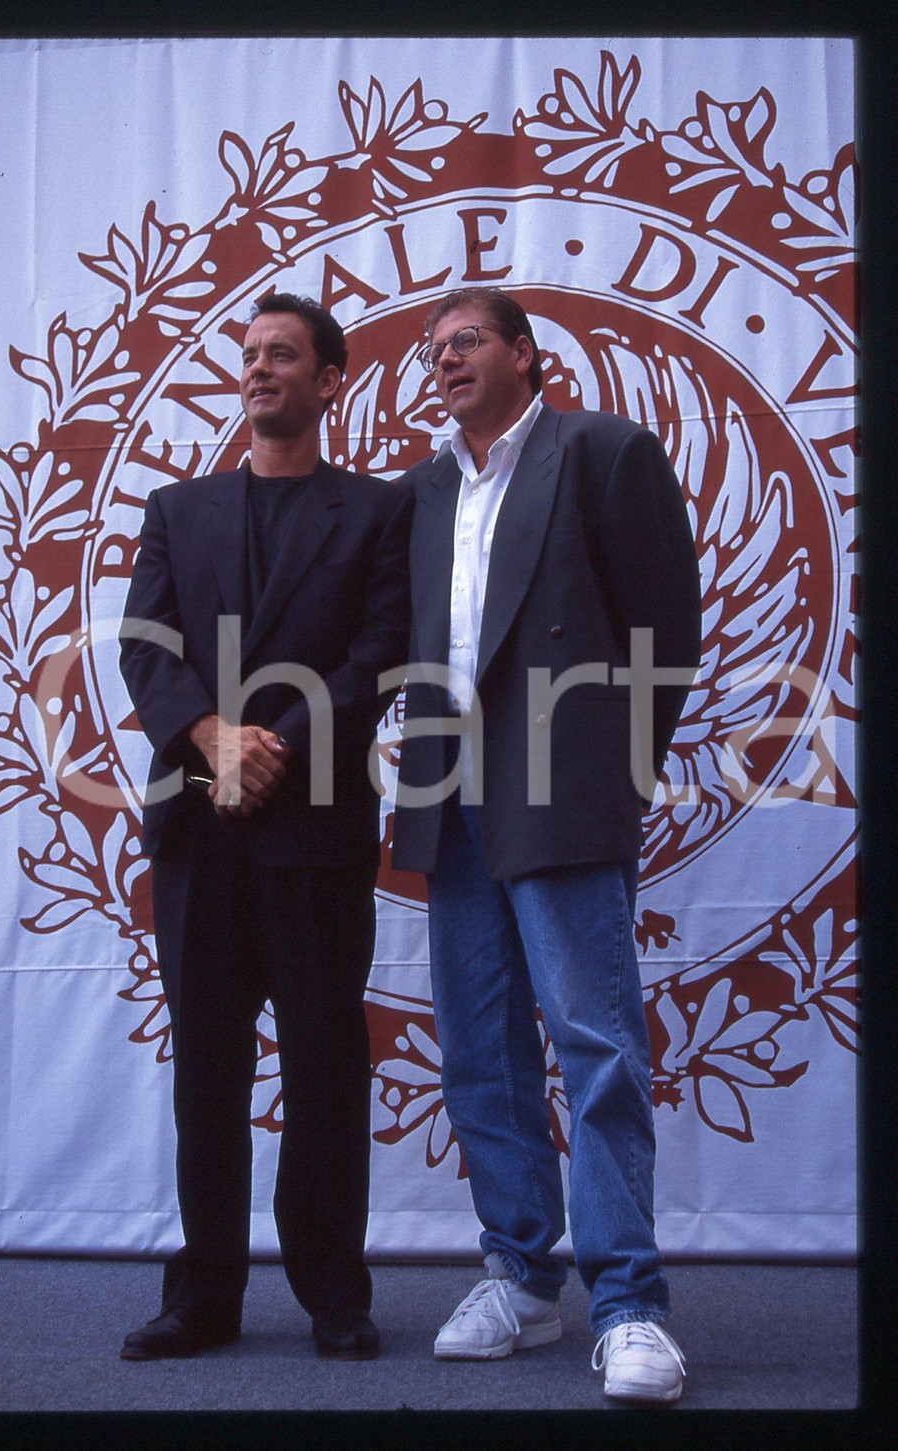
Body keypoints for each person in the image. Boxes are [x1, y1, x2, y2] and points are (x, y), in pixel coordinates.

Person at [391, 287, 701, 1402]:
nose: (445, 360)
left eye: (466, 340)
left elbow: (668, 627)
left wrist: (611, 765)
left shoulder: (604, 451)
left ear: (526, 355)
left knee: (595, 1042)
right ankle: (521, 1278)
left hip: (562, 784)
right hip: (450, 793)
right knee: (479, 1050)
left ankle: (629, 1302)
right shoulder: (422, 489)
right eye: (433, 350)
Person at [119, 293, 412, 1362]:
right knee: (207, 1065)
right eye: (248, 353)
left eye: (282, 354)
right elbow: (145, 644)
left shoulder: (379, 511)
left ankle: (334, 1290)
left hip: (316, 827)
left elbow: (380, 652)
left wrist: (271, 744)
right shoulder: (176, 508)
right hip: (200, 831)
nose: (257, 368)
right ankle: (204, 1294)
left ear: (329, 381)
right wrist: (211, 738)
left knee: (325, 1061)